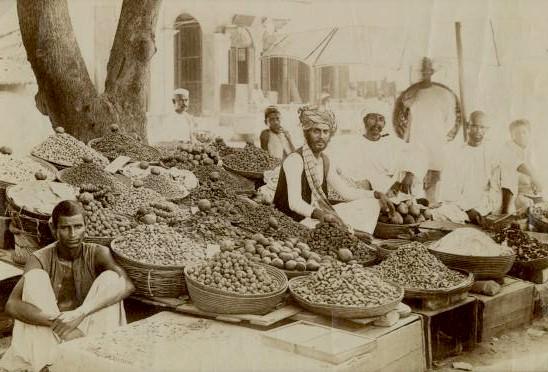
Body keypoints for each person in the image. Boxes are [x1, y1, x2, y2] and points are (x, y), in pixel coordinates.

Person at [0, 201, 135, 372]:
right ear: (54, 229)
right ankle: (48, 364)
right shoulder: (40, 258)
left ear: (86, 227)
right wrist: (60, 324)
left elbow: (128, 285)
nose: (72, 234)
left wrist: (82, 312)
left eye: (78, 226)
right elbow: (12, 305)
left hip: (87, 333)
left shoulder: (98, 253)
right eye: (65, 228)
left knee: (112, 279)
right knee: (35, 278)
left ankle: (97, 361)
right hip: (49, 334)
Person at [273, 105, 393, 232]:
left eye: (325, 132)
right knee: (339, 225)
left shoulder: (324, 161)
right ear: (306, 133)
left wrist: (376, 194)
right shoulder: (295, 160)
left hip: (317, 217)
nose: (321, 136)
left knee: (372, 204)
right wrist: (322, 215)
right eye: (316, 131)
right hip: (292, 221)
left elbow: (347, 193)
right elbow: (295, 203)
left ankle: (350, 231)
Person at [393, 57, 461, 204]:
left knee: (434, 186)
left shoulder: (443, 94)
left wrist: (437, 134)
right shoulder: (411, 94)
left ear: (431, 71)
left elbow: (450, 121)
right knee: (413, 186)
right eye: (420, 71)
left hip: (436, 143)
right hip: (416, 144)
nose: (424, 73)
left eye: (427, 70)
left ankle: (432, 211)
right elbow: (408, 119)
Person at [338, 110, 425, 196]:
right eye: (372, 118)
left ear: (384, 124)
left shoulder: (391, 141)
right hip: (371, 195)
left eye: (380, 119)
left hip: (397, 193)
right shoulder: (354, 144)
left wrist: (410, 174)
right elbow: (355, 178)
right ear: (364, 121)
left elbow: (417, 154)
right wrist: (386, 185)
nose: (376, 123)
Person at [438, 111, 502, 225]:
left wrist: (491, 209)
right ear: (468, 126)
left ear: (487, 129)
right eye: (475, 126)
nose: (478, 131)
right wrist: (468, 209)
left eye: (482, 127)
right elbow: (449, 190)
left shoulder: (491, 153)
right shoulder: (455, 153)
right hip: (459, 206)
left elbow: (495, 187)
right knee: (443, 213)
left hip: (484, 206)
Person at [499, 119, 543, 214]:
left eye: (524, 132)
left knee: (541, 208)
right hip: (516, 193)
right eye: (517, 133)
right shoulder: (508, 147)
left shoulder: (532, 148)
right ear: (512, 135)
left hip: (533, 191)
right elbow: (519, 165)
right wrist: (534, 177)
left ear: (529, 133)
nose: (521, 136)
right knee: (526, 207)